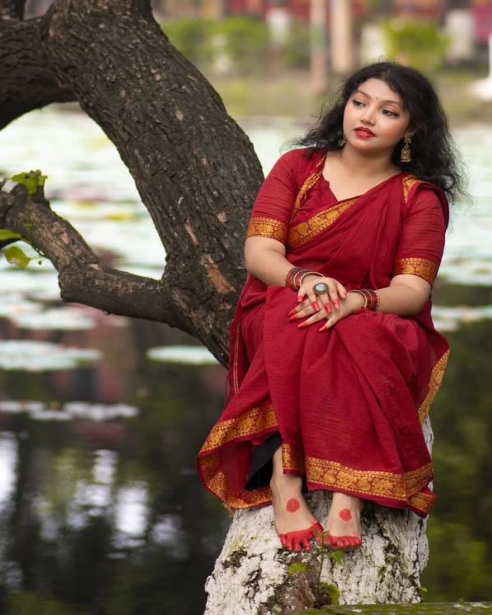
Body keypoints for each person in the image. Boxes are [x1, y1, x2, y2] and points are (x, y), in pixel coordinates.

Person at [197, 62, 464, 552]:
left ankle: (349, 493)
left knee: (363, 336)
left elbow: (413, 288)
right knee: (298, 322)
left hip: (375, 310)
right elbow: (260, 253)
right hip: (285, 295)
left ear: (413, 128)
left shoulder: (417, 199)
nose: (366, 117)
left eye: (388, 111)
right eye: (359, 102)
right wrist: (307, 281)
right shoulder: (299, 168)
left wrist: (357, 301)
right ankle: (284, 481)